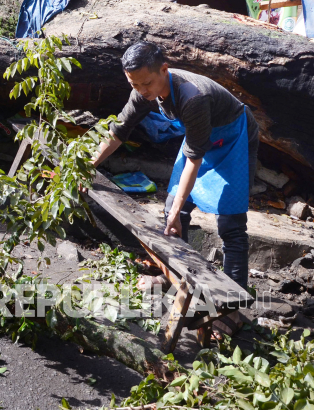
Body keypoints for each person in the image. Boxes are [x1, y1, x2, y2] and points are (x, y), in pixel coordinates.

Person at [91, 41, 259, 335]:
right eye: (134, 84)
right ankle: (175, 277)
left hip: (234, 136)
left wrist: (180, 204)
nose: (141, 90)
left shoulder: (193, 98)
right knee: (171, 210)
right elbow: (118, 131)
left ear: (164, 70)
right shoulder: (143, 89)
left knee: (230, 223)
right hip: (202, 137)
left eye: (146, 83)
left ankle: (232, 308)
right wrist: (87, 166)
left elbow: (194, 158)